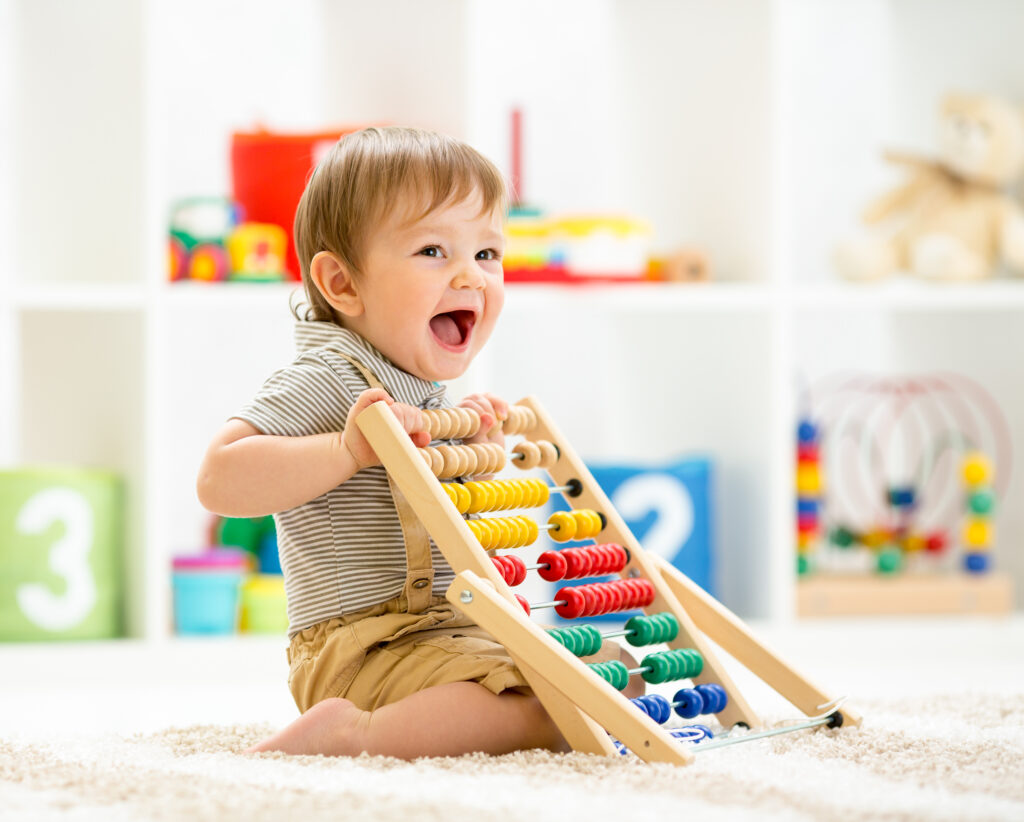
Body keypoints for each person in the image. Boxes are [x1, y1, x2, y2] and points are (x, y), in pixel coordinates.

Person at [197, 126, 635, 760]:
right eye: (434, 250)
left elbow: (443, 533)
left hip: (444, 632)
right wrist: (346, 450)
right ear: (342, 284)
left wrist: (476, 454)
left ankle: (453, 714)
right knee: (553, 709)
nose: (471, 276)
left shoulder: (422, 387)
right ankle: (350, 736)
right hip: (361, 648)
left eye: (487, 254)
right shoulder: (332, 379)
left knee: (612, 673)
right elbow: (218, 479)